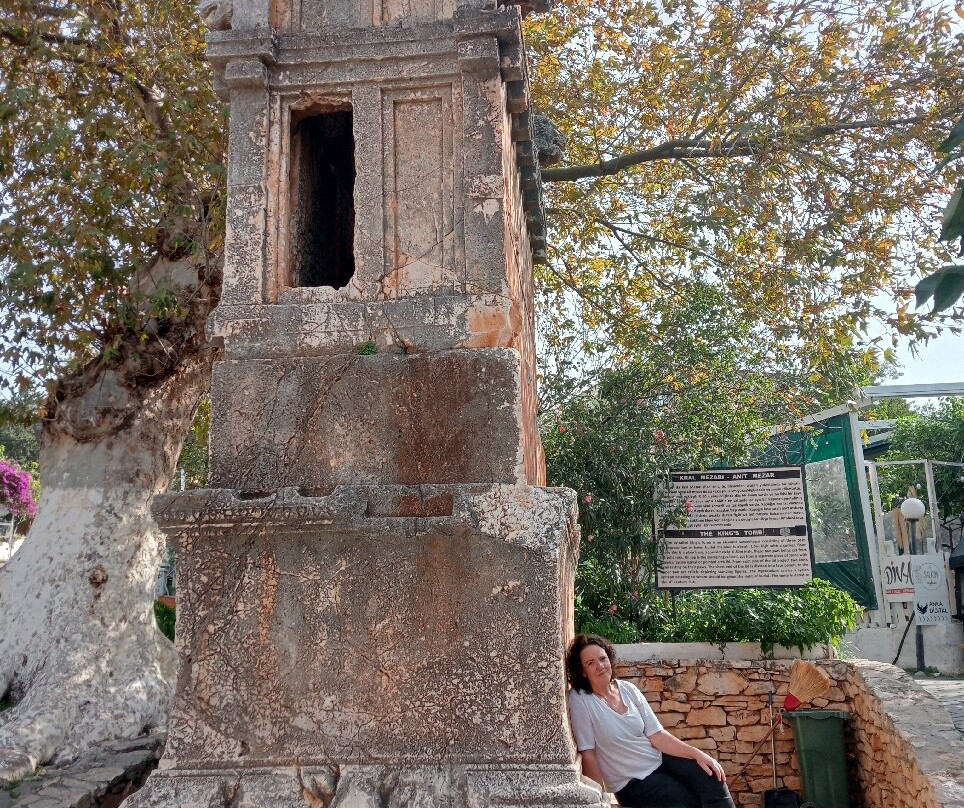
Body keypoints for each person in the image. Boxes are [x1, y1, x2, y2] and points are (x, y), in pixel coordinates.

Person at [566, 634, 736, 808]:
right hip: (632, 783)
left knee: (712, 774)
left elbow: (657, 735)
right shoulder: (580, 700)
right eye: (591, 663)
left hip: (660, 760)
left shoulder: (628, 689)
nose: (600, 666)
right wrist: (598, 798)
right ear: (582, 671)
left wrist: (697, 754)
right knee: (688, 801)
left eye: (603, 659)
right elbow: (589, 754)